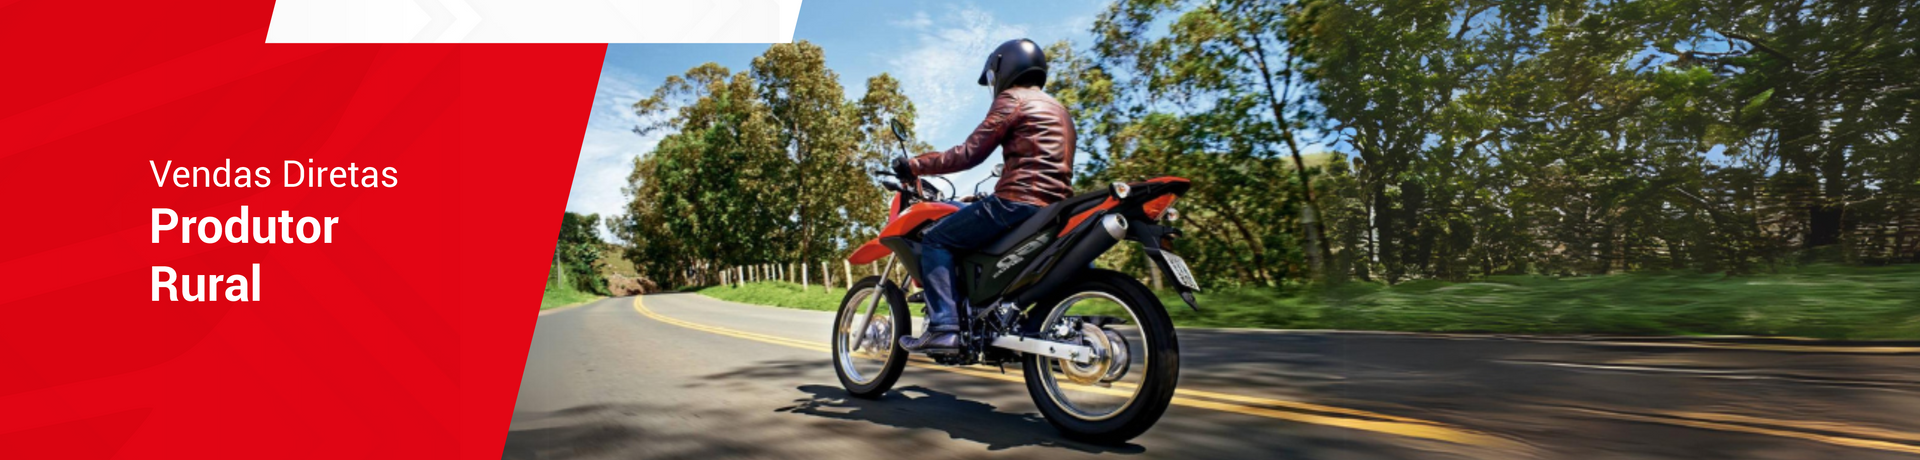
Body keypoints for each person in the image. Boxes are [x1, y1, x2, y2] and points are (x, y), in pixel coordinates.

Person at [895, 38, 1076, 355]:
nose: (994, 84)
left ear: (1005, 68)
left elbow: (968, 154)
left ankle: (944, 328)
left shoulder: (1013, 99)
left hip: (1017, 202)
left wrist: (915, 165)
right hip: (1055, 207)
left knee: (937, 239)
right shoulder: (1061, 110)